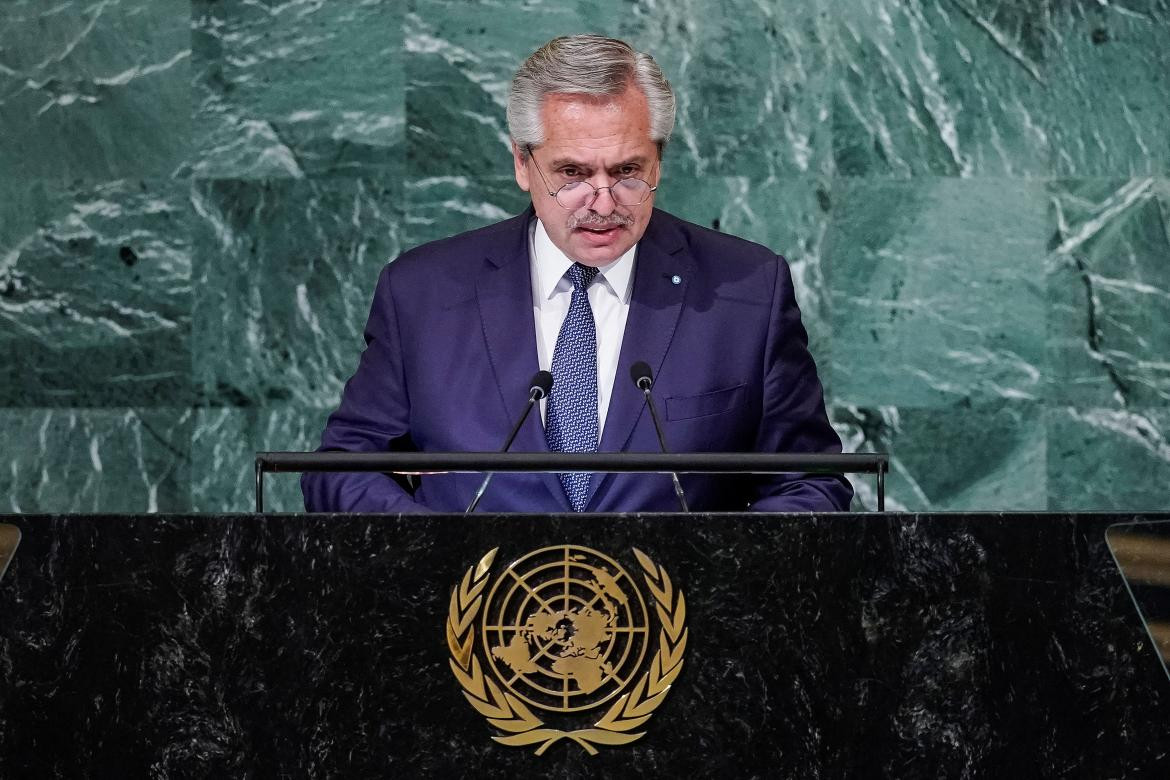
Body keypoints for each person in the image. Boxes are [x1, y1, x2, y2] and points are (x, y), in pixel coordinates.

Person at [301, 34, 852, 513]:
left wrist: (720, 578)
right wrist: (438, 556)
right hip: (473, 622)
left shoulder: (747, 288)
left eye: (628, 171)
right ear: (522, 162)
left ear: (657, 160)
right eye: (572, 173)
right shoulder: (422, 292)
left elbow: (809, 480)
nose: (603, 200)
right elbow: (343, 470)